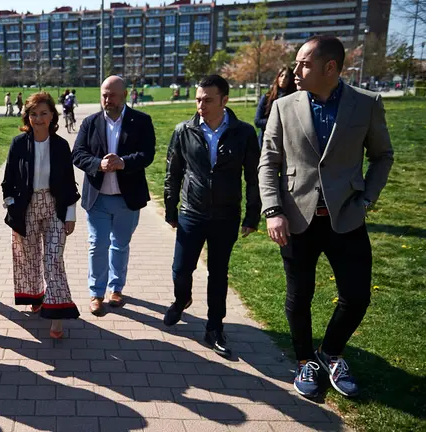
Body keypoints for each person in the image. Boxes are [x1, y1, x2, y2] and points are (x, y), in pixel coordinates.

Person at [259, 35, 394, 399]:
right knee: (298, 296)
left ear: (330, 67)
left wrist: (367, 197)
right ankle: (305, 360)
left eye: (304, 63)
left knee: (357, 296)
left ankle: (330, 352)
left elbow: (383, 155)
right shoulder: (284, 107)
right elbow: (268, 162)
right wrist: (272, 210)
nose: (296, 70)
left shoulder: (366, 105)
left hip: (347, 218)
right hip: (296, 219)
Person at [163, 75, 261, 358]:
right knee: (181, 269)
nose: (201, 105)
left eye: (208, 100)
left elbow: (253, 177)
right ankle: (182, 300)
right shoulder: (184, 130)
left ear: (224, 100)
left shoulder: (243, 133)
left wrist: (252, 215)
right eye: (198, 99)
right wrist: (171, 210)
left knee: (218, 273)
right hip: (191, 213)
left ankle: (214, 328)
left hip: (226, 216)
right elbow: (173, 174)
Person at [72, 76, 156, 316]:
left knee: (120, 245)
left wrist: (123, 163)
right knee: (97, 245)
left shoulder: (140, 121)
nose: (107, 100)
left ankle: (116, 289)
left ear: (125, 95)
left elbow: (147, 154)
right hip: (97, 198)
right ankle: (96, 293)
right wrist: (98, 164)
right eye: (104, 95)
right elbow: (77, 153)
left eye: (112, 95)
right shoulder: (90, 123)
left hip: (126, 199)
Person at [1, 92, 81, 338]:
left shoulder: (60, 145)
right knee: (29, 257)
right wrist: (12, 208)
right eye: (33, 114)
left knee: (53, 259)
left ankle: (57, 315)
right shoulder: (18, 144)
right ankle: (36, 296)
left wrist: (71, 214)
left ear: (52, 116)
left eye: (43, 113)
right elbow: (7, 182)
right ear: (27, 116)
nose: (38, 118)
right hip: (26, 207)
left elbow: (69, 183)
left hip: (55, 206)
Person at [254, 67, 297, 147]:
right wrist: (276, 122)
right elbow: (257, 121)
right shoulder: (267, 97)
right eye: (281, 75)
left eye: (286, 76)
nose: (283, 78)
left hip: (287, 140)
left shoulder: (295, 98)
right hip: (267, 139)